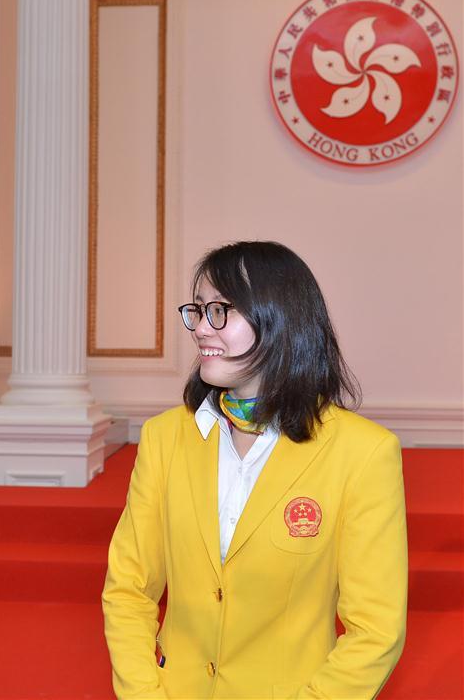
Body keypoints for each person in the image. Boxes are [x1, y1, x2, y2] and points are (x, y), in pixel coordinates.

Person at [102, 241, 407, 699]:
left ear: (280, 320)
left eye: (221, 311)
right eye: (199, 310)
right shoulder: (165, 437)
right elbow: (128, 590)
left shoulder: (362, 453)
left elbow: (376, 630)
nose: (202, 328)